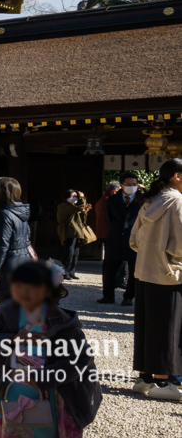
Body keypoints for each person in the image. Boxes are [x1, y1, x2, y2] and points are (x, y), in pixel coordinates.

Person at [0, 260, 103, 435]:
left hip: (51, 391)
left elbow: (80, 359)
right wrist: (12, 338)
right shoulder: (7, 314)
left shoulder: (62, 322)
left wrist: (42, 378)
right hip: (13, 388)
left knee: (46, 429)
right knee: (16, 427)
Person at [130, 157, 182, 401]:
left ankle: (144, 378)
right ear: (177, 176)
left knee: (147, 323)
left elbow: (133, 240)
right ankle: (164, 382)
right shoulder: (177, 201)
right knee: (168, 326)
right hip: (170, 273)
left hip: (144, 270)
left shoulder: (149, 201)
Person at [0, 176, 33, 305]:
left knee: (7, 305)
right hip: (23, 260)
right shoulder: (20, 211)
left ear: (0, 192)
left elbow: (1, 245)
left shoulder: (3, 214)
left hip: (8, 264)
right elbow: (27, 237)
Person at [100, 171, 143, 306]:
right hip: (116, 237)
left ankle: (129, 297)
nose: (132, 186)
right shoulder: (112, 199)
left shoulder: (143, 199)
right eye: (128, 184)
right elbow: (110, 217)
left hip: (135, 238)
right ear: (121, 185)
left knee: (134, 270)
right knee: (109, 268)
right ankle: (108, 295)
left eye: (134, 184)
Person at [55, 189, 89, 280]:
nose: (75, 198)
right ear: (66, 198)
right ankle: (64, 272)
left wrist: (84, 213)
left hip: (76, 232)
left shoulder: (73, 207)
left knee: (75, 253)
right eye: (72, 196)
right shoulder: (62, 206)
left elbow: (82, 220)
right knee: (68, 253)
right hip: (68, 231)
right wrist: (82, 198)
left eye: (76, 196)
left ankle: (71, 271)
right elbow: (79, 207)